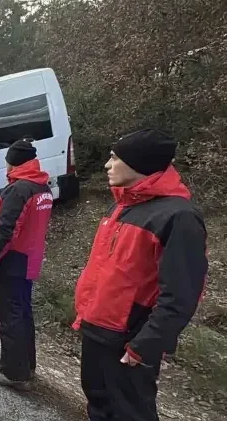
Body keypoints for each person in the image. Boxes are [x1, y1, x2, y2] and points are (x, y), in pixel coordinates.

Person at [73, 129, 207, 421]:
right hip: (97, 328)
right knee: (98, 403)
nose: (107, 165)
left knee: (130, 412)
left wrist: (145, 345)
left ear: (139, 163)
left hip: (129, 339)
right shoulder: (122, 204)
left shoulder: (179, 217)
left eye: (114, 158)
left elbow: (181, 295)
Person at [0, 139, 53, 390]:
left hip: (12, 259)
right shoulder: (41, 186)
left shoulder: (17, 190)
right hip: (30, 258)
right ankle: (25, 363)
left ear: (12, 162)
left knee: (10, 315)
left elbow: (6, 231)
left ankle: (14, 373)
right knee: (23, 312)